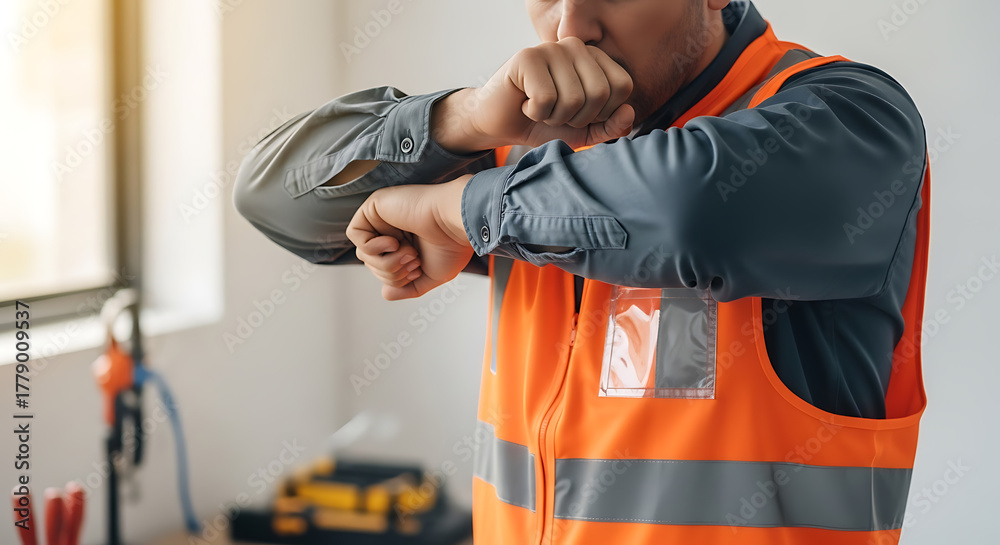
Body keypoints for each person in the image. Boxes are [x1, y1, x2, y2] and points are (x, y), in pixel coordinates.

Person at [233, 1, 930, 543]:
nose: (570, 26)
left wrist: (457, 208)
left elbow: (691, 211)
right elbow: (274, 200)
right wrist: (465, 119)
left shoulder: (856, 121)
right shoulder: (527, 149)